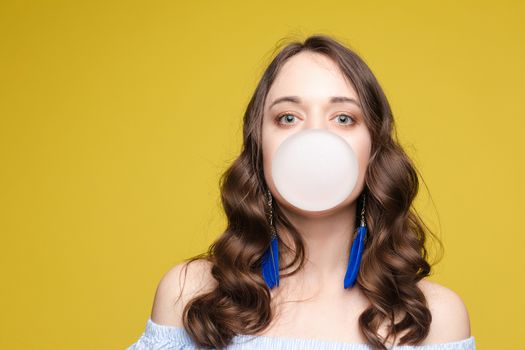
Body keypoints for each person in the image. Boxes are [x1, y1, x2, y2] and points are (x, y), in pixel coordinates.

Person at [127, 34, 476, 350]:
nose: (315, 139)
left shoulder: (433, 320)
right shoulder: (192, 296)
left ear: (372, 151)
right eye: (288, 118)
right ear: (260, 148)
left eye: (343, 118)